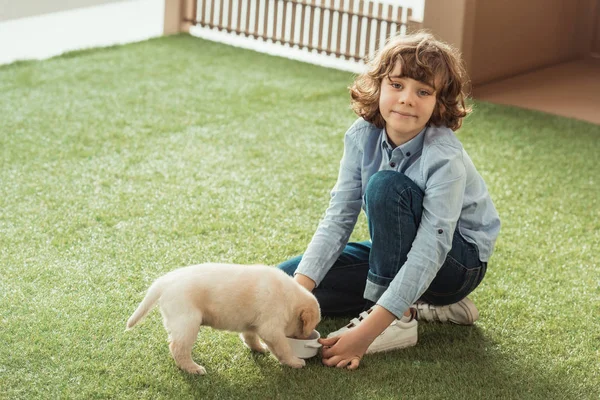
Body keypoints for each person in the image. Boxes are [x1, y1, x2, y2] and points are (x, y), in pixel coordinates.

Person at [277, 31, 501, 370]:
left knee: (385, 187)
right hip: (395, 252)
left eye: (423, 91)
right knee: (287, 280)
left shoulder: (444, 157)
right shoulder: (361, 135)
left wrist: (366, 333)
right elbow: (339, 217)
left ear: (439, 102)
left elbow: (431, 247)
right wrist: (296, 295)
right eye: (396, 85)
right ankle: (423, 304)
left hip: (457, 264)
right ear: (379, 86)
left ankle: (401, 319)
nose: (407, 99)